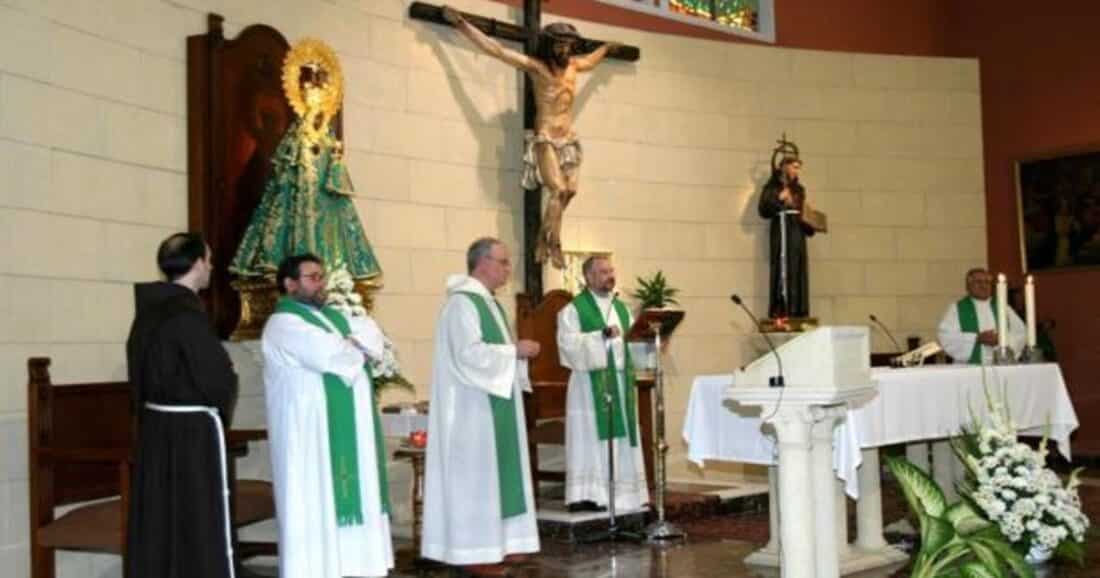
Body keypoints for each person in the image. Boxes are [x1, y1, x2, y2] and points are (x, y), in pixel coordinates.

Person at [442, 5, 619, 269]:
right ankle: (553, 242)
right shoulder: (537, 68)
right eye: (560, 45)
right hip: (546, 136)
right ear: (549, 46)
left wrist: (607, 48)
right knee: (558, 190)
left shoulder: (573, 66)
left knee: (570, 192)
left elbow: (592, 60)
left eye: (568, 45)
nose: (565, 50)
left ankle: (541, 236)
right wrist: (462, 25)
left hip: (567, 138)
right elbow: (497, 51)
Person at [261, 254, 393, 578]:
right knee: (314, 499)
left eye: (322, 276)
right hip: (309, 436)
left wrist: (352, 343)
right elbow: (332, 355)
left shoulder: (333, 318)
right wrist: (351, 345)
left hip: (340, 431)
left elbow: (373, 334)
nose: (320, 283)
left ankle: (355, 567)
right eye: (311, 277)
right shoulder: (283, 323)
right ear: (290, 284)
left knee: (351, 492)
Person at [421, 238, 542, 576]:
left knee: (497, 474)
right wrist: (515, 351)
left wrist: (512, 354)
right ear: (481, 263)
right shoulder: (462, 304)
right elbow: (468, 355)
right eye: (503, 262)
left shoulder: (488, 303)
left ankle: (506, 542)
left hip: (493, 404)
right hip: (471, 410)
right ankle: (473, 550)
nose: (507, 269)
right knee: (476, 477)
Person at [126, 232, 239, 578]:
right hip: (191, 435)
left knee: (161, 520)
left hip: (156, 428)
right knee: (195, 518)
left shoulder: (148, 311)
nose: (211, 267)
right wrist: (222, 395)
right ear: (196, 264)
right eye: (208, 259)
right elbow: (216, 379)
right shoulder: (187, 315)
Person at [231, 41, 382, 282]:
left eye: (320, 97)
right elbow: (289, 167)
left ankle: (331, 264)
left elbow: (335, 177)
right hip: (300, 200)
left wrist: (334, 158)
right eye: (311, 96)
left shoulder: (328, 137)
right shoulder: (297, 135)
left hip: (325, 203)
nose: (316, 102)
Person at [557, 255, 648, 512]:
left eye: (611, 271)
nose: (610, 276)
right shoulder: (573, 310)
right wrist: (600, 337)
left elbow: (632, 343)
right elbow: (568, 346)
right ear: (588, 277)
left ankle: (627, 493)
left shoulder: (621, 309)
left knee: (622, 438)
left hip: (619, 381)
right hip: (589, 385)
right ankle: (589, 494)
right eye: (603, 272)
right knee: (589, 437)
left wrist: (650, 342)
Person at [758, 154, 818, 318]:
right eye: (794, 167)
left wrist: (812, 219)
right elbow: (763, 209)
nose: (797, 171)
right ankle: (782, 310)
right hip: (782, 229)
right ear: (784, 167)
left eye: (799, 168)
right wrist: (779, 198)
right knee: (783, 267)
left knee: (797, 268)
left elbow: (802, 209)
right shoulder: (772, 186)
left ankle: (798, 310)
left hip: (796, 232)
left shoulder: (799, 189)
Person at [937, 268, 1026, 364]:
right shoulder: (957, 308)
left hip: (1001, 364)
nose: (984, 286)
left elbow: (1020, 333)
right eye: (978, 282)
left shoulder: (1003, 307)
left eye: (987, 282)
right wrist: (976, 338)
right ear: (968, 286)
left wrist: (1001, 339)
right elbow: (946, 336)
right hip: (968, 368)